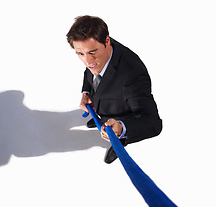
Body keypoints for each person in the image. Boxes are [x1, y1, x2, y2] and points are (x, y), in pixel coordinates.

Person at [66, 15, 162, 164]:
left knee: (118, 132)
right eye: (80, 54)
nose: (87, 61)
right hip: (105, 106)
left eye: (92, 53)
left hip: (121, 118)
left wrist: (121, 127)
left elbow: (153, 123)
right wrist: (86, 92)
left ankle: (119, 141)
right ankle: (101, 117)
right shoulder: (95, 46)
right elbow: (89, 70)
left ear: (107, 41)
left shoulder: (133, 75)